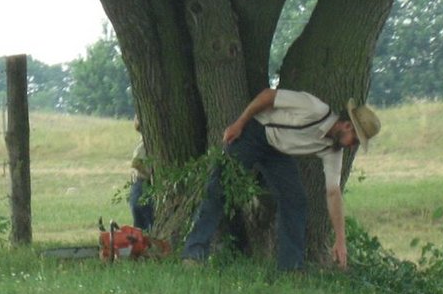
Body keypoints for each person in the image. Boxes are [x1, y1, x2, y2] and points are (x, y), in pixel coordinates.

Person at [181, 88, 381, 270]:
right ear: (347, 125)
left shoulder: (333, 150)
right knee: (220, 187)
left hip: (278, 152)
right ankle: (193, 254)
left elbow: (333, 192)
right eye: (355, 140)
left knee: (295, 201)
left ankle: (290, 268)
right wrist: (239, 124)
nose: (353, 146)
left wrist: (340, 239)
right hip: (255, 133)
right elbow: (268, 96)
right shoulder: (314, 109)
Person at [130, 116, 154, 231]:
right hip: (142, 181)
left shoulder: (144, 142)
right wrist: (149, 174)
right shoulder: (145, 142)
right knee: (143, 212)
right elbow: (136, 163)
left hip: (141, 182)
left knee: (143, 213)